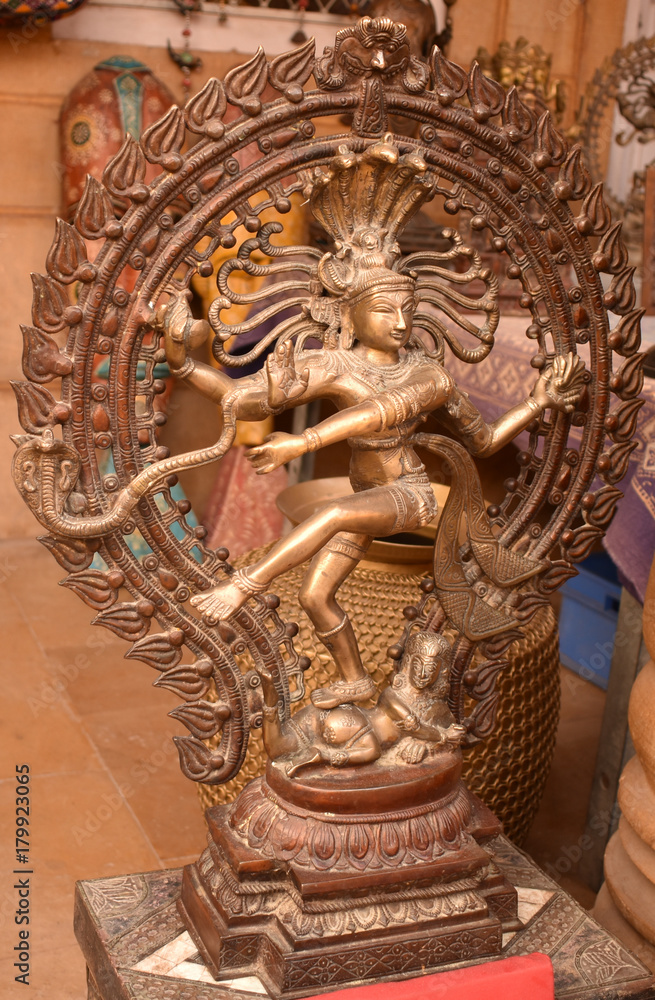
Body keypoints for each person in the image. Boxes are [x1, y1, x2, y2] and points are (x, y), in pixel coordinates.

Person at [162, 138, 585, 711]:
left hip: (407, 494)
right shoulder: (332, 364)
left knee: (331, 512)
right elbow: (243, 400)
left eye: (408, 308)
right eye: (386, 309)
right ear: (349, 311)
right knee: (316, 597)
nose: (402, 320)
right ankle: (357, 678)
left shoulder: (426, 375)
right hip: (368, 492)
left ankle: (244, 584)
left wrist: (539, 402)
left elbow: (476, 440)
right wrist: (188, 365)